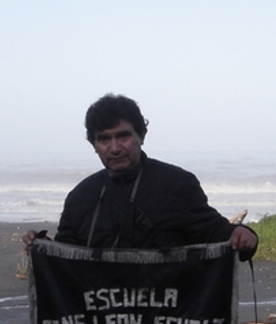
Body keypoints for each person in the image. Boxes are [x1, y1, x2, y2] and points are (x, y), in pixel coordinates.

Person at [24, 93, 258, 259]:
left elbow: (215, 233)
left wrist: (245, 237)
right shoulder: (81, 197)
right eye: (104, 139)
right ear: (93, 144)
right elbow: (66, 257)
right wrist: (41, 247)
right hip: (100, 323)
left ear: (142, 135)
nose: (114, 148)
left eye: (123, 136)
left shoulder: (177, 185)